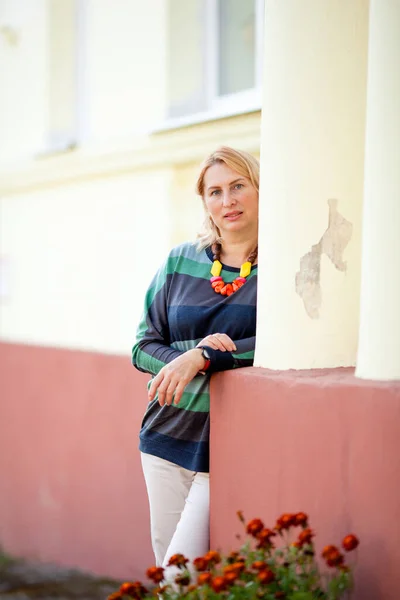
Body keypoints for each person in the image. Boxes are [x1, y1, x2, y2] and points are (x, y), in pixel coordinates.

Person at [131, 146, 259, 574]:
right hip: (165, 439)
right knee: (170, 572)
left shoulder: (281, 267)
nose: (229, 201)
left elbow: (277, 347)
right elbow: (143, 345)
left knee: (179, 579)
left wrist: (205, 357)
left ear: (259, 189)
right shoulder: (179, 261)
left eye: (239, 186)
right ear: (204, 201)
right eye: (216, 191)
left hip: (223, 449)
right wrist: (185, 359)